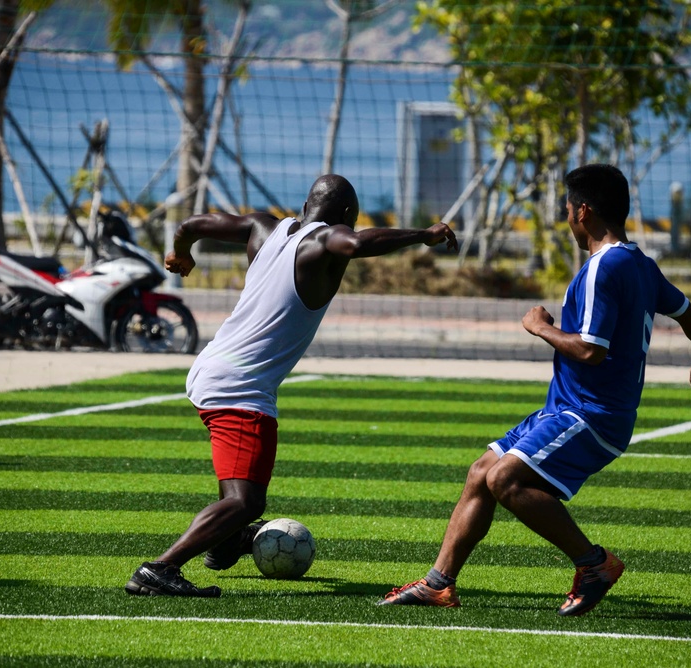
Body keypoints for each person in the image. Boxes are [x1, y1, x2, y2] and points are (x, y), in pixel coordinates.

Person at [379, 163, 691, 616]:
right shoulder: (639, 263)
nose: (564, 215)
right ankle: (437, 585)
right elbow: (689, 313)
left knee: (504, 478)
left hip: (591, 414)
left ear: (582, 211)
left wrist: (540, 327)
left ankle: (594, 564)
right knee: (481, 471)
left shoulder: (607, 267)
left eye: (566, 206)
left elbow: (589, 351)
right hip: (565, 408)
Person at [126, 174, 458, 597]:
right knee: (248, 504)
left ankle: (226, 540)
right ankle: (160, 569)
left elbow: (192, 223)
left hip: (211, 367)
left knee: (239, 493)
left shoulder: (263, 227)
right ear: (345, 217)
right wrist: (423, 234)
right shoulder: (328, 240)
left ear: (305, 207)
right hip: (240, 387)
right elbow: (355, 245)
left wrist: (180, 253)